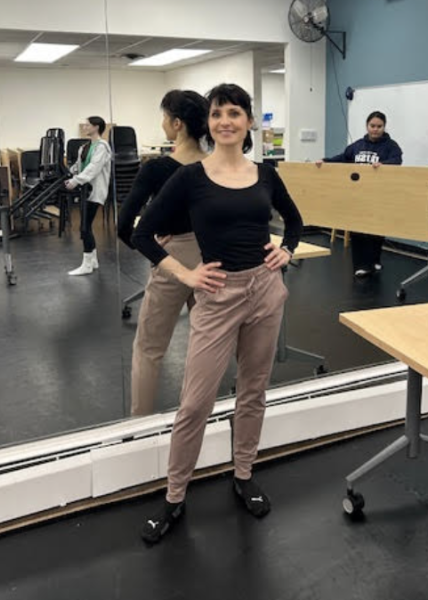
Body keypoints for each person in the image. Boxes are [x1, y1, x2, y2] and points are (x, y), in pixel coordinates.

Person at [132, 83, 303, 544]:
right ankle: (173, 497)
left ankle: (243, 474)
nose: (224, 121)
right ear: (207, 124)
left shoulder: (265, 173)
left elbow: (296, 220)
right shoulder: (190, 178)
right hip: (218, 295)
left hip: (265, 292)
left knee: (254, 391)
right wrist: (186, 276)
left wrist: (285, 250)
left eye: (233, 112)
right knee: (195, 404)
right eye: (216, 114)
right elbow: (143, 233)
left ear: (248, 121)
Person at [117, 90, 209, 416]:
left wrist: (157, 254)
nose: (163, 124)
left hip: (172, 256)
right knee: (206, 346)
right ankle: (195, 419)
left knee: (149, 350)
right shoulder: (217, 166)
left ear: (177, 123)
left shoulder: (156, 169)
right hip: (212, 261)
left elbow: (124, 226)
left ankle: (139, 426)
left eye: (164, 117)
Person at [318, 110, 402, 276]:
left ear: (384, 127)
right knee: (358, 231)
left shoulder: (391, 146)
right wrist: (325, 161)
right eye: (372, 126)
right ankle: (361, 265)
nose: (375, 129)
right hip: (357, 196)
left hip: (378, 195)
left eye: (379, 126)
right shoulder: (357, 145)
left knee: (375, 231)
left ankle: (375, 261)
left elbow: (397, 161)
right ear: (367, 126)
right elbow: (343, 157)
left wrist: (384, 165)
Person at [65, 116, 112, 276]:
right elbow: (79, 166)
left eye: (87, 125)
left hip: (94, 191)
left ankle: (87, 265)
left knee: (84, 227)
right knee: (86, 226)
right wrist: (69, 173)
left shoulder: (102, 147)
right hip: (85, 189)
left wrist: (76, 181)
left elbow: (93, 168)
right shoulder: (84, 147)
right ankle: (93, 260)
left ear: (96, 127)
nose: (84, 127)